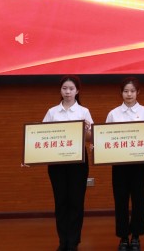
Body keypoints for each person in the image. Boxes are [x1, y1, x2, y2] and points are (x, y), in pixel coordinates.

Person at [43, 75, 93, 251]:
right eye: (64, 88)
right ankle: (62, 241)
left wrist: (87, 130)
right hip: (57, 164)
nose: (68, 92)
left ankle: (73, 242)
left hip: (78, 163)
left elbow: (90, 138)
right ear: (60, 90)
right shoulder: (52, 112)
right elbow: (42, 136)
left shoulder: (83, 111)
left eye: (71, 88)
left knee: (76, 202)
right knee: (61, 202)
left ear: (77, 91)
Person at [106, 77, 144, 251]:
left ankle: (136, 236)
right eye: (126, 91)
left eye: (132, 91)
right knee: (121, 200)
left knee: (139, 200)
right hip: (119, 165)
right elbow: (106, 137)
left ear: (138, 92)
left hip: (140, 164)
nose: (129, 94)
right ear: (121, 93)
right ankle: (123, 237)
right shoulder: (113, 114)